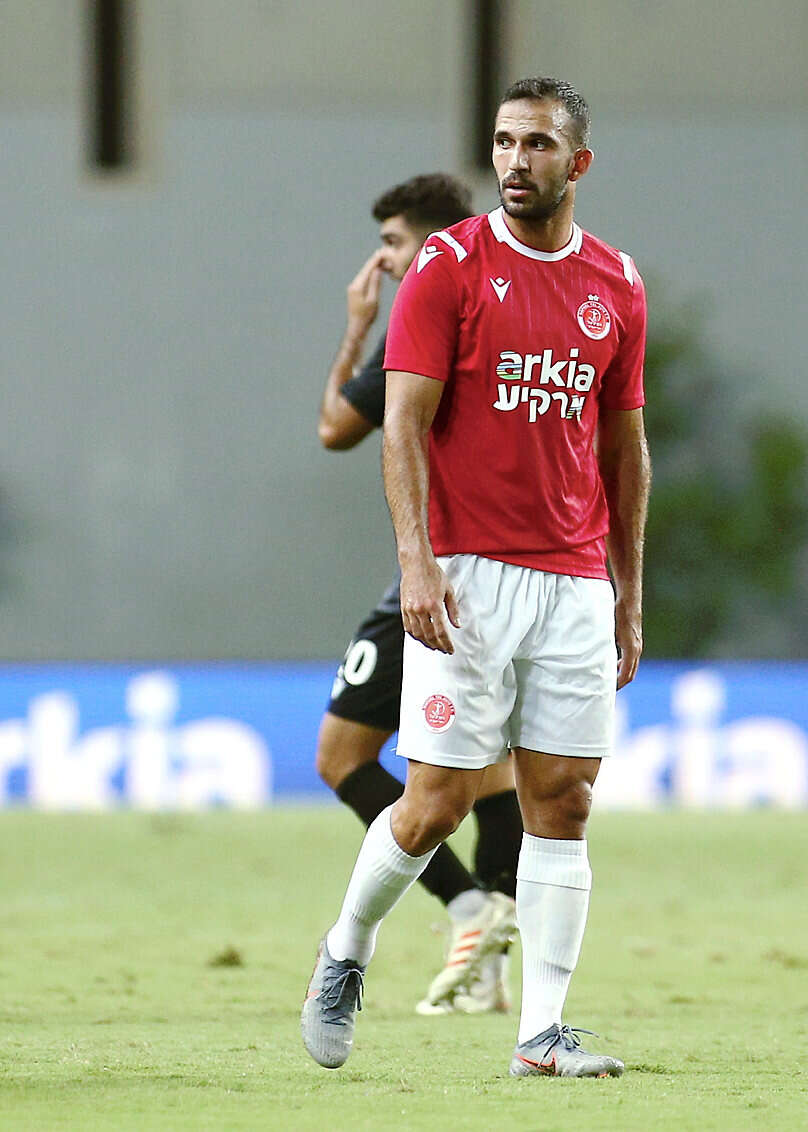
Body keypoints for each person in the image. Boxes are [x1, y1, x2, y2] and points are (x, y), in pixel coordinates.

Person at [302, 77, 650, 1078]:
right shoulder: (448, 267)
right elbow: (399, 426)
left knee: (564, 801)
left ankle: (540, 1034)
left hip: (574, 578)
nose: (514, 161)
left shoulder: (617, 283)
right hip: (468, 574)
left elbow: (623, 446)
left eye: (536, 144)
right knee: (437, 802)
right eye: (502, 142)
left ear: (577, 162)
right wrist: (417, 562)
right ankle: (346, 948)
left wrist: (628, 591)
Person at [314, 173, 522, 1015]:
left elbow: (336, 427)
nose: (386, 261)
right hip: (524, 566)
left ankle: (468, 909)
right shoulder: (512, 301)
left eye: (394, 243)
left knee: (343, 757)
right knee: (494, 764)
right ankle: (490, 961)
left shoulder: (427, 308)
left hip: (439, 568)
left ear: (432, 240)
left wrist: (356, 327)